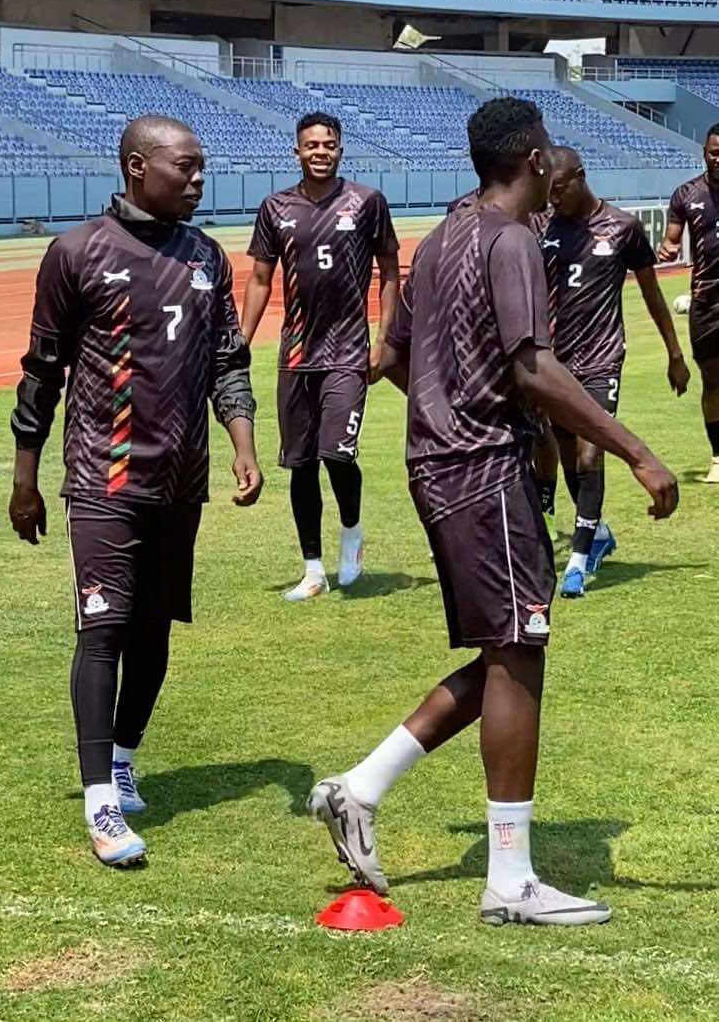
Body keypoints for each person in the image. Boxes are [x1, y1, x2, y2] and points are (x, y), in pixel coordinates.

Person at [307, 97, 677, 927]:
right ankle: (510, 879)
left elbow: (394, 356)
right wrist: (637, 452)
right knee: (521, 654)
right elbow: (537, 369)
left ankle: (360, 788)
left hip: (441, 463)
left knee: (511, 648)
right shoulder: (512, 241)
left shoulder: (440, 239)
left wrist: (447, 405)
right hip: (481, 468)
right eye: (548, 152)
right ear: (534, 159)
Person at [9, 116, 263, 868]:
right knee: (105, 627)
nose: (197, 179)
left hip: (182, 481)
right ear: (135, 166)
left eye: (201, 167)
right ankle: (99, 804)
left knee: (153, 630)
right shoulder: (77, 252)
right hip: (103, 478)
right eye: (184, 167)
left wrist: (242, 445)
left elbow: (228, 361)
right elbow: (40, 372)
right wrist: (25, 480)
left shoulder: (208, 257)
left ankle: (123, 757)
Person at [242, 111, 400, 601]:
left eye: (328, 144)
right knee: (301, 463)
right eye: (311, 145)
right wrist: (239, 344)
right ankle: (312, 569)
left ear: (340, 149)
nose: (320, 152)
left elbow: (391, 273)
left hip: (349, 350)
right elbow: (261, 280)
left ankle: (351, 536)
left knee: (337, 453)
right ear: (297, 151)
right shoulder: (275, 208)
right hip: (296, 354)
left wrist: (384, 340)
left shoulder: (367, 202)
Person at [535, 147, 688, 598]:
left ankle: (578, 562)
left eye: (559, 189)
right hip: (555, 363)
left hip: (602, 359)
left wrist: (674, 354)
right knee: (568, 459)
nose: (553, 198)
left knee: (589, 455)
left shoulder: (622, 227)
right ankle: (597, 535)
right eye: (547, 191)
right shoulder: (543, 225)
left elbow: (653, 294)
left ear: (581, 177)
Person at [659, 125, 719, 483]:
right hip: (707, 304)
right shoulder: (686, 194)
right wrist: (667, 249)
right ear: (704, 152)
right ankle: (718, 456)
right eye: (714, 152)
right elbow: (671, 239)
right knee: (713, 381)